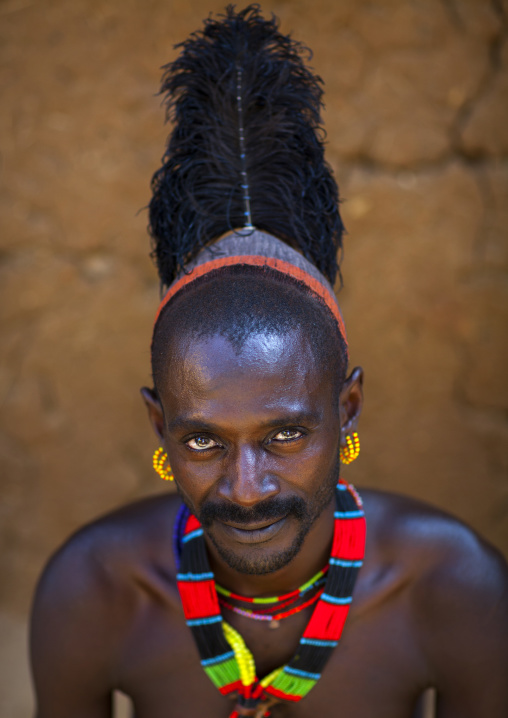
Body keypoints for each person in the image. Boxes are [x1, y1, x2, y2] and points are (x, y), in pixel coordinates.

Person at [30, 6, 508, 718]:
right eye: (203, 440)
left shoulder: (454, 590)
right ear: (158, 425)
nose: (247, 488)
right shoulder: (95, 592)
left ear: (346, 410)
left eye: (285, 434)